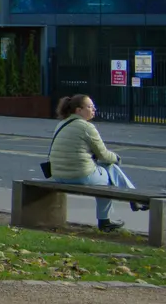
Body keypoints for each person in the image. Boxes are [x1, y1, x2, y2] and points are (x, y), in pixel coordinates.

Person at [48, 94, 135, 232]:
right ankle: (109, 217)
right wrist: (117, 158)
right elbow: (104, 155)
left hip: (58, 174)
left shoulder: (61, 124)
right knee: (110, 173)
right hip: (79, 175)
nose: (93, 109)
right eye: (89, 107)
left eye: (93, 106)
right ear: (78, 110)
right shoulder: (87, 127)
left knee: (106, 171)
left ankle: (132, 197)